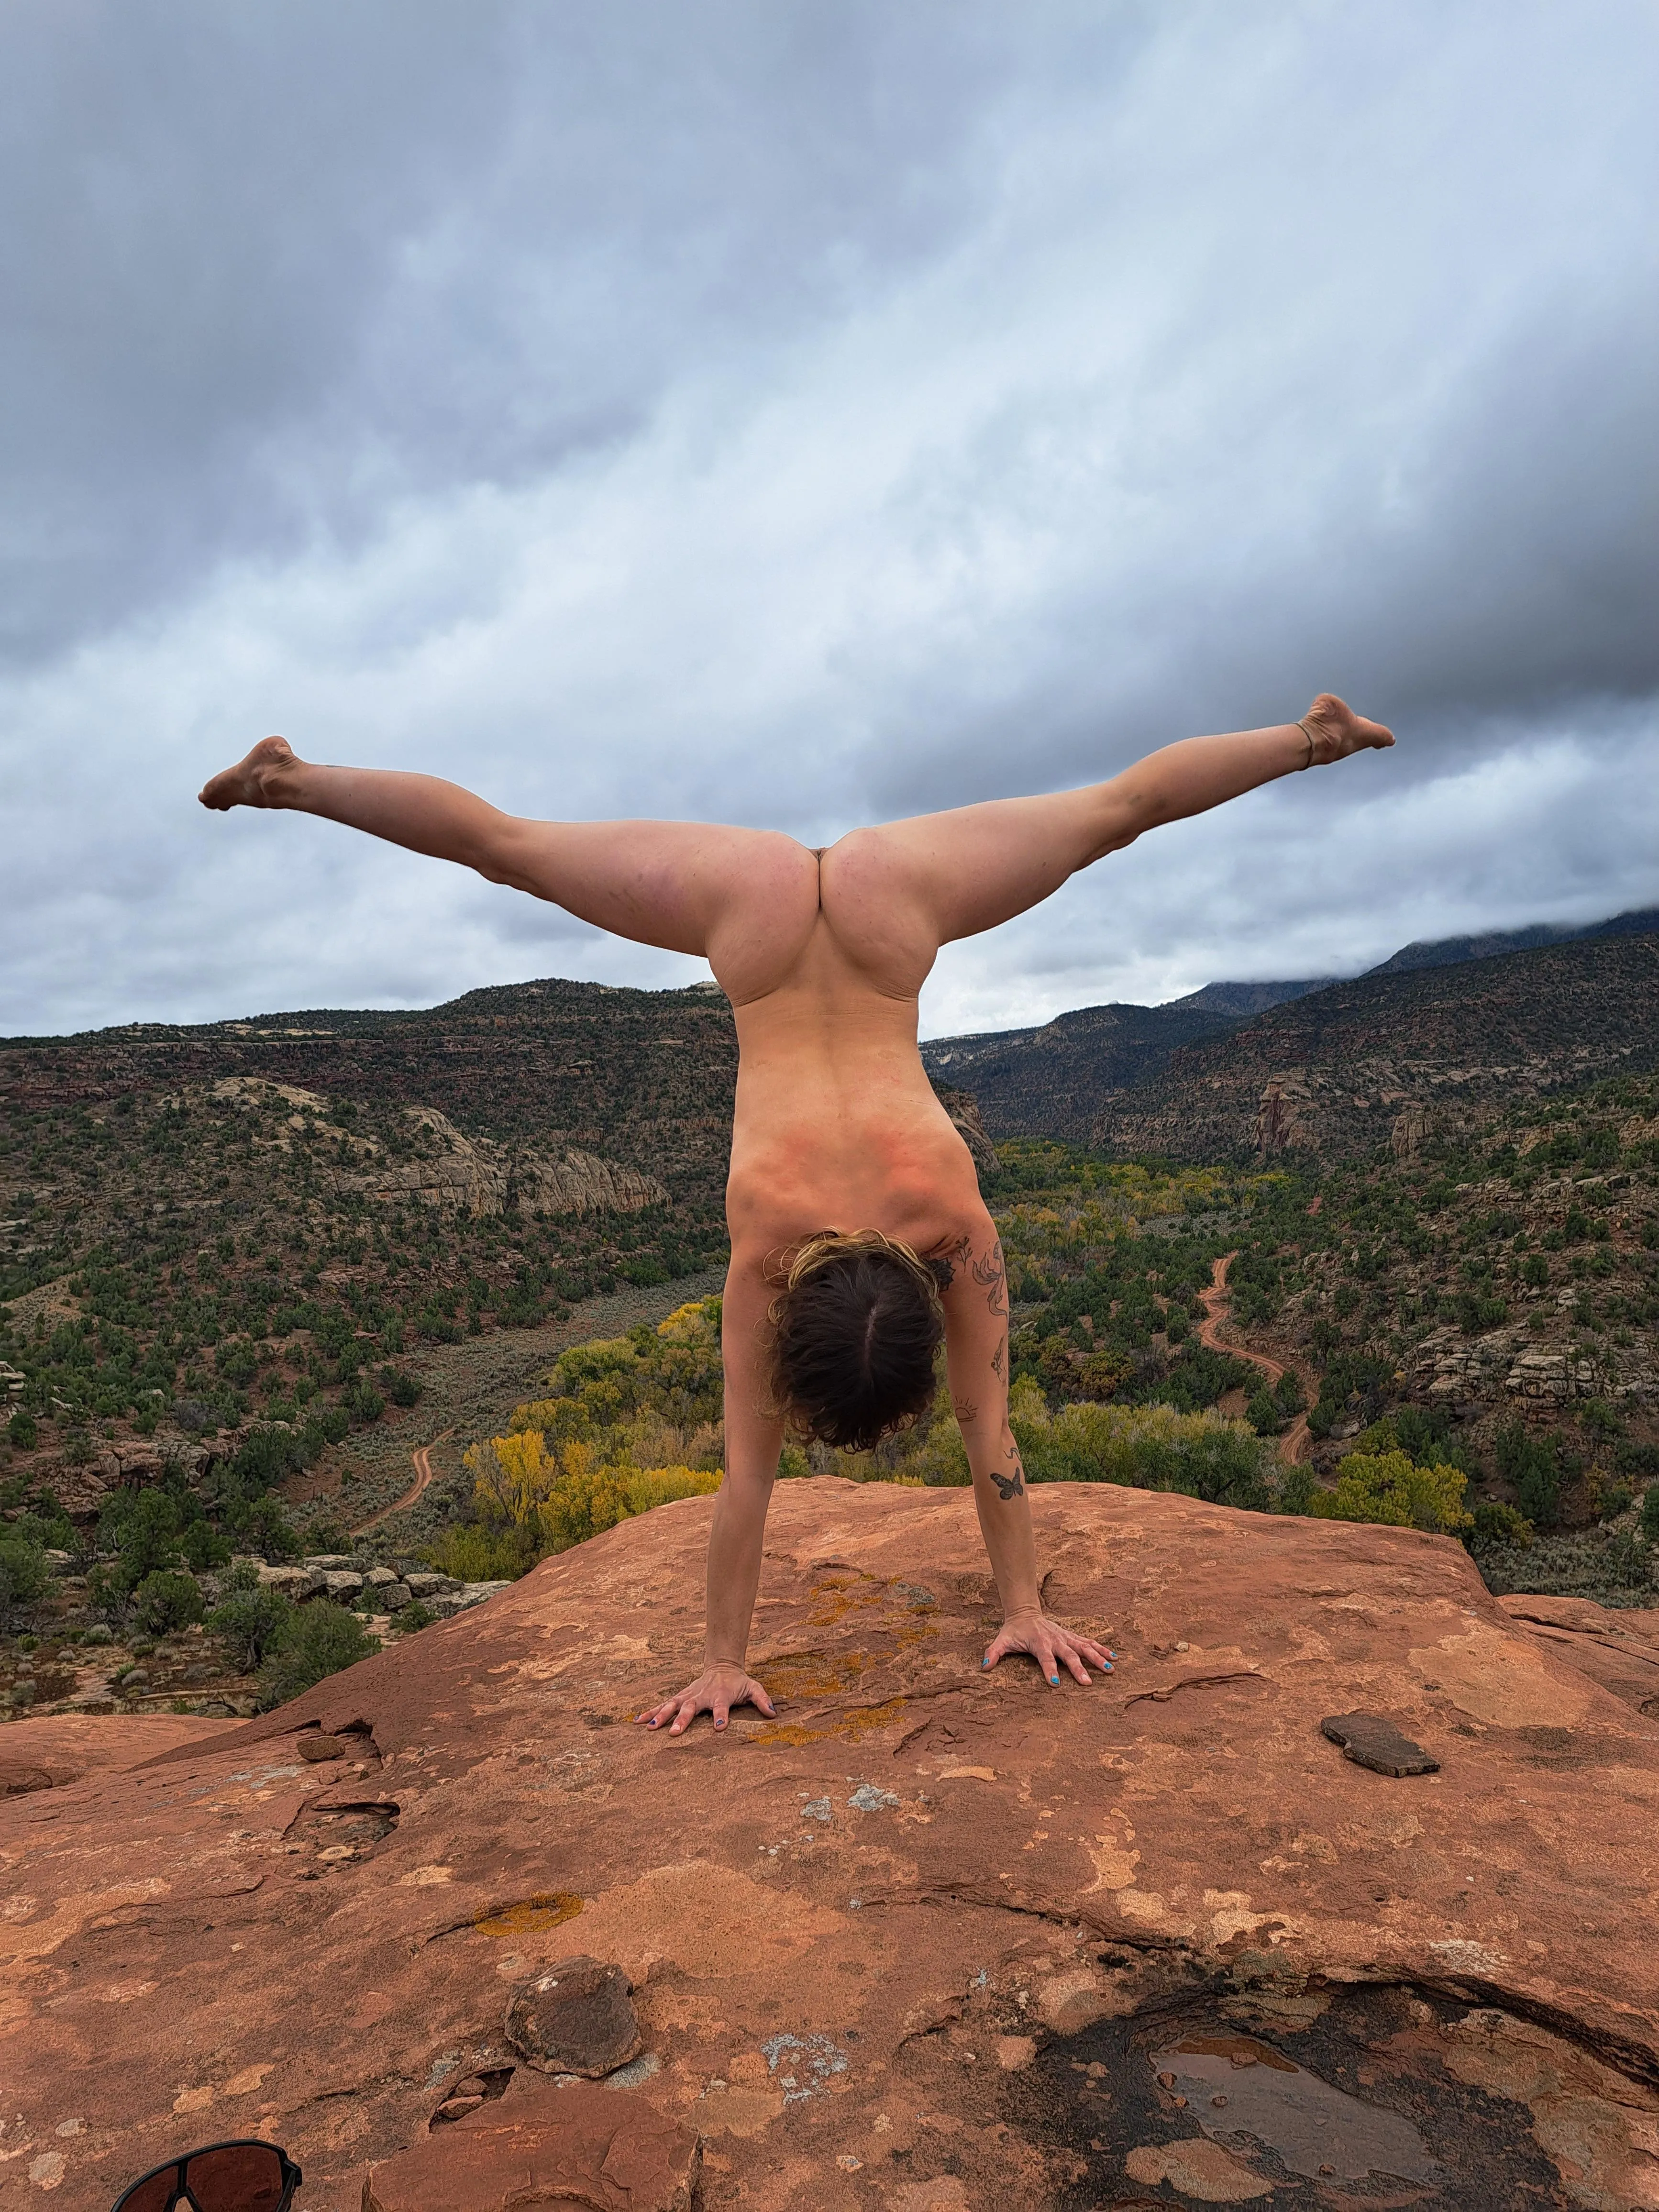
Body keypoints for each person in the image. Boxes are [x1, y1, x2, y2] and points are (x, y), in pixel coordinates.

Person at [201, 693, 1393, 1734]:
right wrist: (1017, 1609)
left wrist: (731, 1660)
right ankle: (1310, 734)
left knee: (1109, 808)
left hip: (881, 911)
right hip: (768, 922)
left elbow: (813, 1475)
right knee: (1116, 807)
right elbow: (918, 1457)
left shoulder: (928, 1232)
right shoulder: (770, 1253)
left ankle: (290, 776)